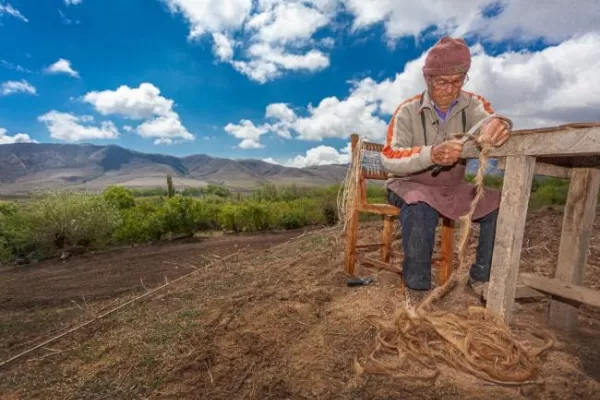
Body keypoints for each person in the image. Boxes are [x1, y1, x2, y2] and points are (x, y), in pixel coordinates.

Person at [380, 36, 513, 302]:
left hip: (452, 186)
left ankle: (481, 278)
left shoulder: (473, 104)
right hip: (408, 184)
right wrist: (432, 154)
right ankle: (417, 291)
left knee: (501, 204)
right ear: (427, 79)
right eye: (442, 82)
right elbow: (389, 157)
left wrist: (498, 126)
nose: (450, 89)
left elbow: (492, 121)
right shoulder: (406, 111)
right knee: (420, 205)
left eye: (458, 81)